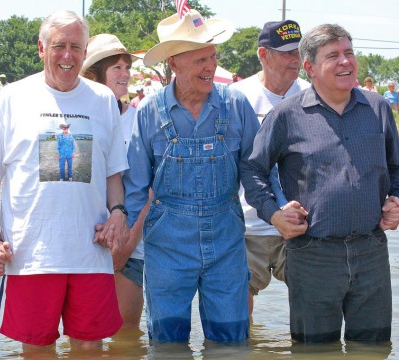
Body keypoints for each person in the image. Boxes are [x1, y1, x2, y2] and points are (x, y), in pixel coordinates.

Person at [122, 9, 292, 343]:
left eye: (212, 57)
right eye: (200, 60)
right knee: (167, 342)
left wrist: (279, 210)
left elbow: (257, 171)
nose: (211, 67)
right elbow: (135, 190)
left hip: (227, 241)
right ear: (173, 63)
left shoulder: (236, 105)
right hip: (166, 246)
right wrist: (122, 238)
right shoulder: (148, 113)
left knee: (231, 341)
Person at [0, 10, 129, 352]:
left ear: (85, 52)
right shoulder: (11, 98)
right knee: (37, 348)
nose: (67, 55)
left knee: (91, 348)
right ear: (42, 49)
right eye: (59, 46)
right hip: (31, 255)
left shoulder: (103, 100)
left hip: (91, 252)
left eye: (76, 46)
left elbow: (113, 173)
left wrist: (118, 214)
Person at [243, 23, 399, 343]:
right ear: (310, 67)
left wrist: (396, 199)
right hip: (312, 254)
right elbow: (253, 170)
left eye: (349, 53)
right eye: (333, 56)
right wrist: (273, 214)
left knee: (373, 347)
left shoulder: (378, 108)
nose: (345, 61)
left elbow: (397, 168)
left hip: (371, 252)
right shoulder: (287, 115)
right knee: (314, 349)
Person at [231, 19, 310, 315]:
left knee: (313, 299)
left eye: (299, 52)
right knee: (238, 307)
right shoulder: (237, 98)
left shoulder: (311, 96)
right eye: (288, 53)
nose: (296, 60)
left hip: (301, 223)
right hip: (247, 225)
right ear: (263, 55)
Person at [80, 33, 147, 329]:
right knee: (82, 335)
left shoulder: (141, 120)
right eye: (116, 67)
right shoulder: (77, 121)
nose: (125, 74)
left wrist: (129, 243)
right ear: (94, 75)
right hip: (84, 242)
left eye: (127, 66)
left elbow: (154, 190)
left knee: (126, 337)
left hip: (131, 246)